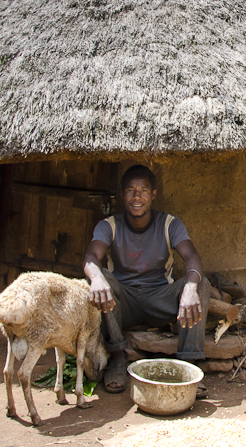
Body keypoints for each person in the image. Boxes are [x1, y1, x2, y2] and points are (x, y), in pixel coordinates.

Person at [83, 164, 210, 396]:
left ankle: (191, 364)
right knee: (103, 278)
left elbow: (192, 256)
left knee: (200, 283)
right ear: (122, 195)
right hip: (124, 302)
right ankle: (118, 358)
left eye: (143, 190)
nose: (137, 196)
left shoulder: (169, 224)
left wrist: (190, 288)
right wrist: (96, 276)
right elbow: (92, 256)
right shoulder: (109, 225)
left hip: (160, 298)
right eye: (131, 190)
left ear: (153, 194)